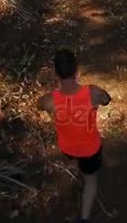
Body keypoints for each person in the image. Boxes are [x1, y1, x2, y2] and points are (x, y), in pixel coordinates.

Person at [37, 49, 111, 223]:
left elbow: (38, 105)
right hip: (90, 150)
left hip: (67, 148)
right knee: (91, 182)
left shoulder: (49, 100)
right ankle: (84, 218)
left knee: (78, 158)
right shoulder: (93, 92)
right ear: (77, 70)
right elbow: (107, 100)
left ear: (56, 73)